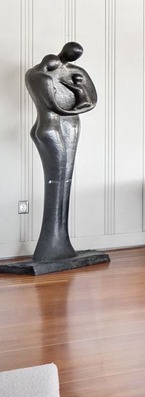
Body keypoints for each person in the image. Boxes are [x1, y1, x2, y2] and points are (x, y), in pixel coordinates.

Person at [26, 42, 98, 263]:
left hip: (70, 126)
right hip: (49, 128)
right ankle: (51, 247)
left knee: (64, 180)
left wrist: (76, 99)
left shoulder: (77, 73)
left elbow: (92, 101)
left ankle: (58, 244)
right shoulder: (38, 76)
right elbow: (53, 106)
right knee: (57, 181)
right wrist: (74, 104)